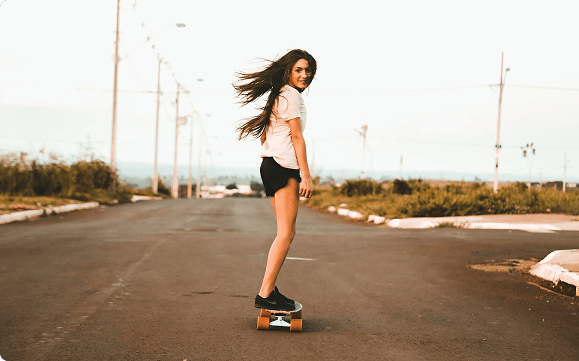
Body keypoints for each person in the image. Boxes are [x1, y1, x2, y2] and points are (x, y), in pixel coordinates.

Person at [234, 49, 317, 311]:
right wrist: (305, 175)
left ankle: (269, 290)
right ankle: (265, 293)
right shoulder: (289, 94)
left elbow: (264, 134)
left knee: (285, 232)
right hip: (284, 166)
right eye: (299, 70)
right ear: (288, 71)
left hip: (270, 165)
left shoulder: (279, 94)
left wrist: (271, 157)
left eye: (308, 70)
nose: (305, 75)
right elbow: (296, 137)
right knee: (285, 234)